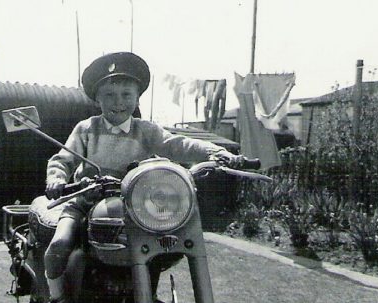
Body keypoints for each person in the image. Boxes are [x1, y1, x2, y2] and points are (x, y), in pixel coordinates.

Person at [43, 52, 246, 303]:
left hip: (137, 209)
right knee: (59, 245)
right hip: (85, 202)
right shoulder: (86, 128)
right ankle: (57, 296)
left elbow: (178, 144)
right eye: (110, 95)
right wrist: (56, 178)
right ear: (97, 99)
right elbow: (63, 159)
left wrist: (216, 152)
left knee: (168, 245)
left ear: (137, 97)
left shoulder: (146, 130)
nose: (119, 102)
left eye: (126, 95)